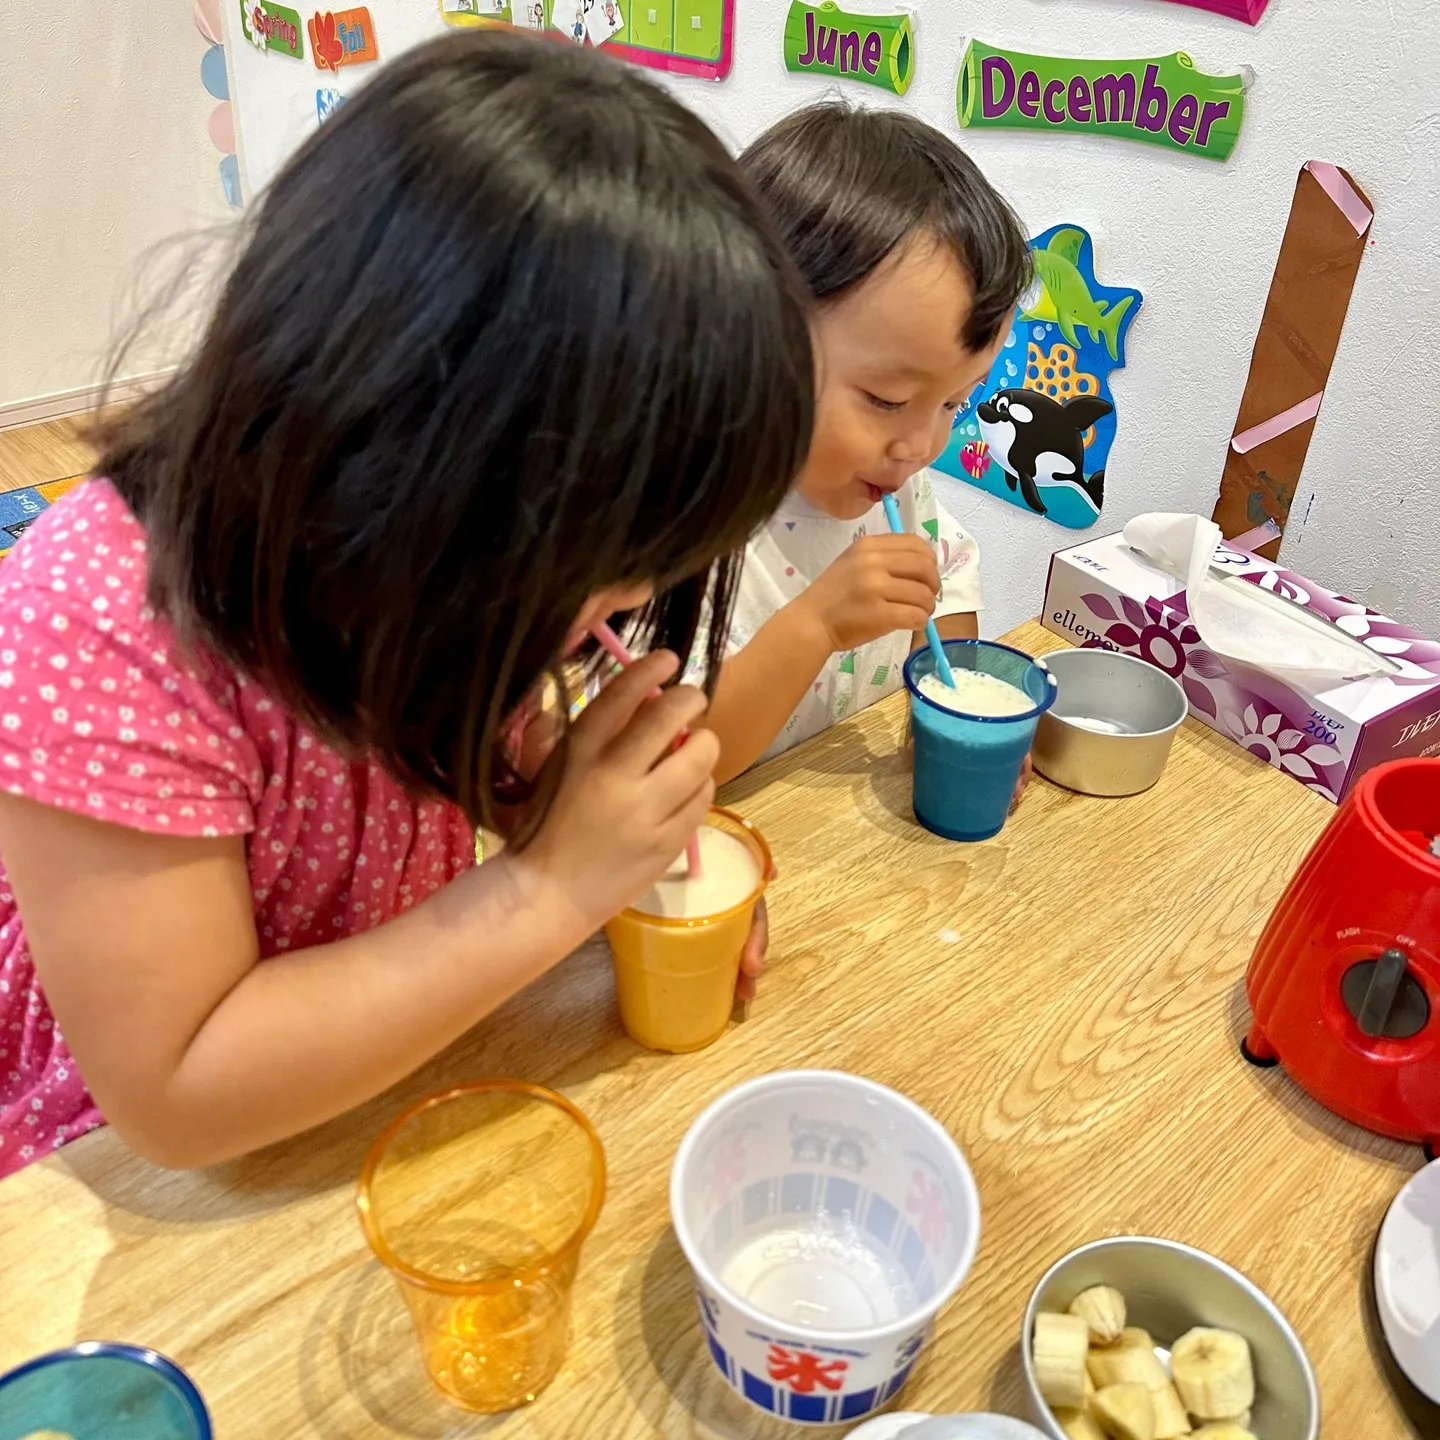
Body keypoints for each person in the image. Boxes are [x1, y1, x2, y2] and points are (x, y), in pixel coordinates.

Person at [0, 30, 813, 1176]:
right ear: (414, 467)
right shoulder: (100, 626)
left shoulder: (449, 568)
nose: (625, 606)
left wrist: (625, 855)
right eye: (614, 561)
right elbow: (177, 1094)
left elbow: (523, 771)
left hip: (403, 1083)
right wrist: (552, 887)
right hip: (140, 1187)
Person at [697, 102, 1033, 781]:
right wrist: (814, 628)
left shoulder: (898, 485)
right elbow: (681, 763)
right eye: (887, 400)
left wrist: (946, 706)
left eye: (953, 403)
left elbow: (952, 581)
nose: (920, 444)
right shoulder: (685, 521)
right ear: (755, 336)